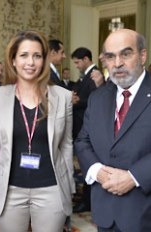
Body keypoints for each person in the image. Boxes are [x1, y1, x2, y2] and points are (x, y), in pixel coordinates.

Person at [0, 30, 75, 232]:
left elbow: (67, 145)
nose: (31, 62)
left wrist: (70, 185)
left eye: (37, 56)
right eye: (24, 55)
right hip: (10, 189)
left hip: (51, 189)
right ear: (13, 60)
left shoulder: (63, 96)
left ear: (44, 60)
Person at [75, 29, 151, 232]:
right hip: (105, 212)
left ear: (143, 55)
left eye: (126, 54)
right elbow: (83, 141)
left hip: (145, 212)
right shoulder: (98, 98)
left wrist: (134, 176)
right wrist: (97, 171)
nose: (117, 63)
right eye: (110, 56)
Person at [70, 47, 99, 213]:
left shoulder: (95, 76)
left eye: (77, 62)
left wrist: (78, 101)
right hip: (80, 127)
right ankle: (86, 199)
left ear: (86, 59)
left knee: (88, 165)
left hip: (87, 127)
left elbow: (96, 99)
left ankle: (88, 201)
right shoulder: (84, 78)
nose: (76, 65)